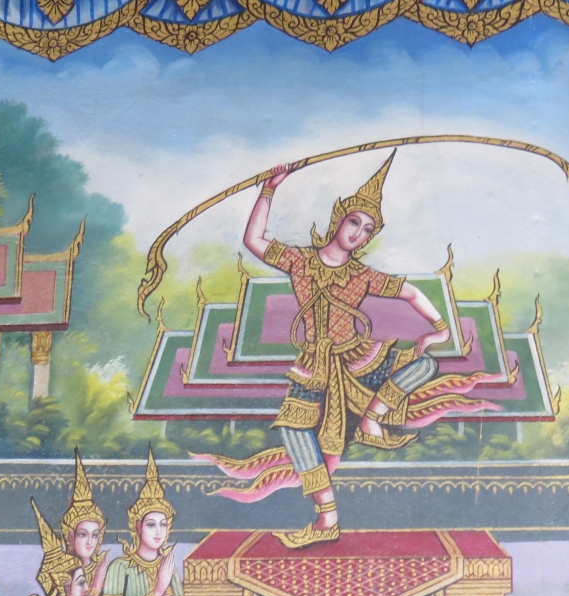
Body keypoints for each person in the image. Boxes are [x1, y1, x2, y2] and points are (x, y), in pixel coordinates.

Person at [199, 152, 499, 548]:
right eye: (354, 222)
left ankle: (373, 418)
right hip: (314, 365)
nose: (358, 233)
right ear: (339, 221)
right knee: (293, 429)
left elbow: (410, 293)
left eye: (367, 229)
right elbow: (254, 240)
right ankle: (327, 518)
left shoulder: (362, 275)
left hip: (359, 360)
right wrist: (269, 190)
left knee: (424, 365)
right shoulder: (301, 262)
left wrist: (440, 330)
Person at [101, 449, 188, 596]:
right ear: (138, 527)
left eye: (163, 525)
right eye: (151, 525)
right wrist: (156, 592)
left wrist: (167, 586)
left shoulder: (166, 566)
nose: (158, 532)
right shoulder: (120, 567)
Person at [61, 450, 110, 596]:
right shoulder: (63, 570)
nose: (90, 542)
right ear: (71, 537)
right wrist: (94, 589)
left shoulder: (103, 568)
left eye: (95, 535)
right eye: (83, 534)